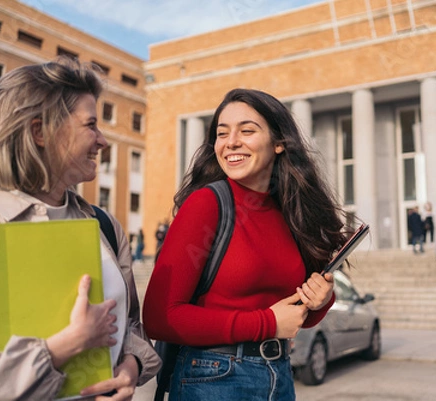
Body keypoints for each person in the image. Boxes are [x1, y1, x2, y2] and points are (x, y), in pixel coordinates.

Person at [0, 58, 160, 400]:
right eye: (91, 125)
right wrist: (66, 345)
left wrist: (131, 367)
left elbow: (131, 323)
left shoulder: (104, 226)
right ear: (39, 132)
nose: (102, 141)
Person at [143, 88, 348, 401]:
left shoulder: (291, 212)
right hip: (213, 377)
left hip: (279, 375)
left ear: (280, 143)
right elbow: (160, 317)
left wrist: (320, 301)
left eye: (247, 131)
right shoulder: (206, 204)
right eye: (222, 133)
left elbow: (292, 318)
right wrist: (265, 323)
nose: (231, 142)